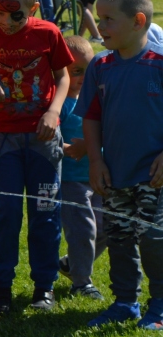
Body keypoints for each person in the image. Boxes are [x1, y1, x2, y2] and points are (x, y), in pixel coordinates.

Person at [0, 0, 73, 317]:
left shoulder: (48, 34)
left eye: (15, 15)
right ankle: (2, 289)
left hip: (43, 137)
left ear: (33, 8)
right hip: (4, 138)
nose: (6, 21)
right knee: (7, 213)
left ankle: (44, 286)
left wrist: (54, 112)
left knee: (44, 211)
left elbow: (63, 75)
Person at [76, 0, 163, 330]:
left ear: (138, 21)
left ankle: (159, 304)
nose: (100, 29)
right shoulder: (101, 66)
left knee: (153, 237)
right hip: (114, 172)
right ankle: (126, 301)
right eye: (99, 20)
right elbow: (92, 116)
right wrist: (95, 161)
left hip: (155, 173)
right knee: (120, 237)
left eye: (109, 20)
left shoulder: (159, 65)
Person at [57, 35, 106, 300]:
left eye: (88, 70)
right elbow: (48, 138)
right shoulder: (61, 103)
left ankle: (69, 264)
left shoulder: (97, 99)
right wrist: (67, 148)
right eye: (75, 72)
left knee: (107, 227)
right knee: (83, 229)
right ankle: (81, 282)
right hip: (72, 180)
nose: (83, 77)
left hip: (99, 176)